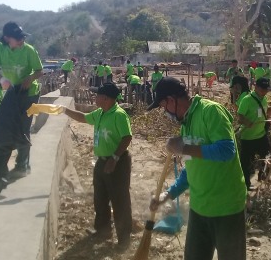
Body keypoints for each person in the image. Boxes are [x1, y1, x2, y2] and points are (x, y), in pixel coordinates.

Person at [148, 77, 247, 260]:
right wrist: (168, 194)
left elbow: (227, 151)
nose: (165, 112)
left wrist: (184, 148)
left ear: (171, 100)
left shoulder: (211, 111)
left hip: (226, 208)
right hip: (199, 208)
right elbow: (190, 170)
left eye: (164, 106)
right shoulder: (186, 123)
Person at [63, 83, 133, 248]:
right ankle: (102, 230)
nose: (95, 98)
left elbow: (127, 137)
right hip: (102, 161)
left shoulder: (119, 115)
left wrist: (114, 158)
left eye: (97, 95)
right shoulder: (101, 113)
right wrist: (64, 110)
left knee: (119, 200)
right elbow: (83, 117)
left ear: (106, 98)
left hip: (118, 161)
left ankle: (124, 238)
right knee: (100, 197)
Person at [0, 21, 43, 179]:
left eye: (22, 38)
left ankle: (22, 165)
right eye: (17, 38)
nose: (21, 41)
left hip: (28, 93)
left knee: (23, 129)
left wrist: (30, 77)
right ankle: (1, 168)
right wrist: (1, 79)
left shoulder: (29, 50)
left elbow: (39, 71)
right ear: (7, 38)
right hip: (8, 93)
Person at [236, 77, 271, 190]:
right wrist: (247, 122)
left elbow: (264, 112)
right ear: (256, 87)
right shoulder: (247, 100)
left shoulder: (264, 99)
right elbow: (240, 116)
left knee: (268, 156)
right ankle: (246, 184)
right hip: (248, 138)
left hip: (261, 135)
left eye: (266, 89)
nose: (264, 91)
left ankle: (263, 176)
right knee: (246, 163)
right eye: (262, 89)